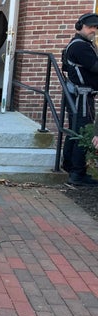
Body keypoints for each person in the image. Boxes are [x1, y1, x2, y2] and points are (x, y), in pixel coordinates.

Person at [61, 13, 98, 186]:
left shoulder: (81, 44)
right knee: (83, 133)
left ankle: (69, 166)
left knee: (75, 131)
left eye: (96, 27)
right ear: (80, 26)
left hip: (78, 95)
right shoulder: (81, 47)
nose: (94, 30)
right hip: (82, 97)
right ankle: (77, 174)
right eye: (91, 27)